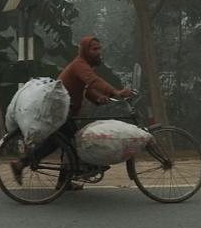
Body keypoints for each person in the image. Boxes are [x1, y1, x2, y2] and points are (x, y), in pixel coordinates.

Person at [10, 35, 133, 187]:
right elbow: (93, 81)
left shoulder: (84, 66)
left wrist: (98, 98)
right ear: (85, 51)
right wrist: (115, 92)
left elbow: (87, 89)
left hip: (66, 111)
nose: (98, 52)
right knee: (71, 143)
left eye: (99, 49)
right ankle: (22, 164)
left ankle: (61, 181)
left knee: (65, 144)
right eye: (94, 49)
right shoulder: (80, 65)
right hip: (61, 111)